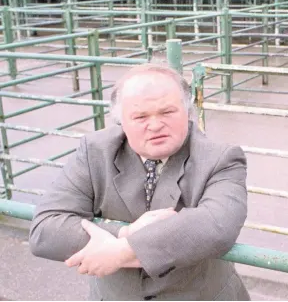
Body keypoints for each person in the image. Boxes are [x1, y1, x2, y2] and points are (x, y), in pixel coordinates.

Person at [28, 63, 250, 300]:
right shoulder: (94, 151)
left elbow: (217, 225)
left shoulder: (221, 158)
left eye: (167, 112)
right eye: (140, 116)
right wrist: (125, 232)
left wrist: (123, 251)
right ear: (121, 121)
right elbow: (45, 229)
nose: (155, 125)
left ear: (188, 111)